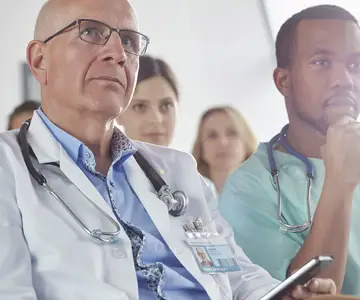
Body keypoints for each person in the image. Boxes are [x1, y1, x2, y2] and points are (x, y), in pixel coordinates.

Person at [0, 0, 336, 299]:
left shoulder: (178, 171)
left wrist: (284, 294)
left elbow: (236, 277)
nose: (117, 53)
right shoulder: (8, 166)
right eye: (90, 31)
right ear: (39, 59)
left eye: (129, 41)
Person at [219, 4, 360, 300]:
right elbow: (299, 297)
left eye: (356, 65)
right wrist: (340, 183)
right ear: (283, 81)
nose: (344, 80)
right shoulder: (249, 190)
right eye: (321, 62)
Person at [192, 106, 257, 195]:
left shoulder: (270, 197)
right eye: (212, 135)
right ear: (201, 147)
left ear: (246, 143)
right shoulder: (187, 198)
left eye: (232, 133)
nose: (223, 142)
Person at [117, 55, 178, 146]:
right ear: (118, 114)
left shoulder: (189, 160)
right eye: (140, 107)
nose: (156, 119)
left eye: (166, 105)